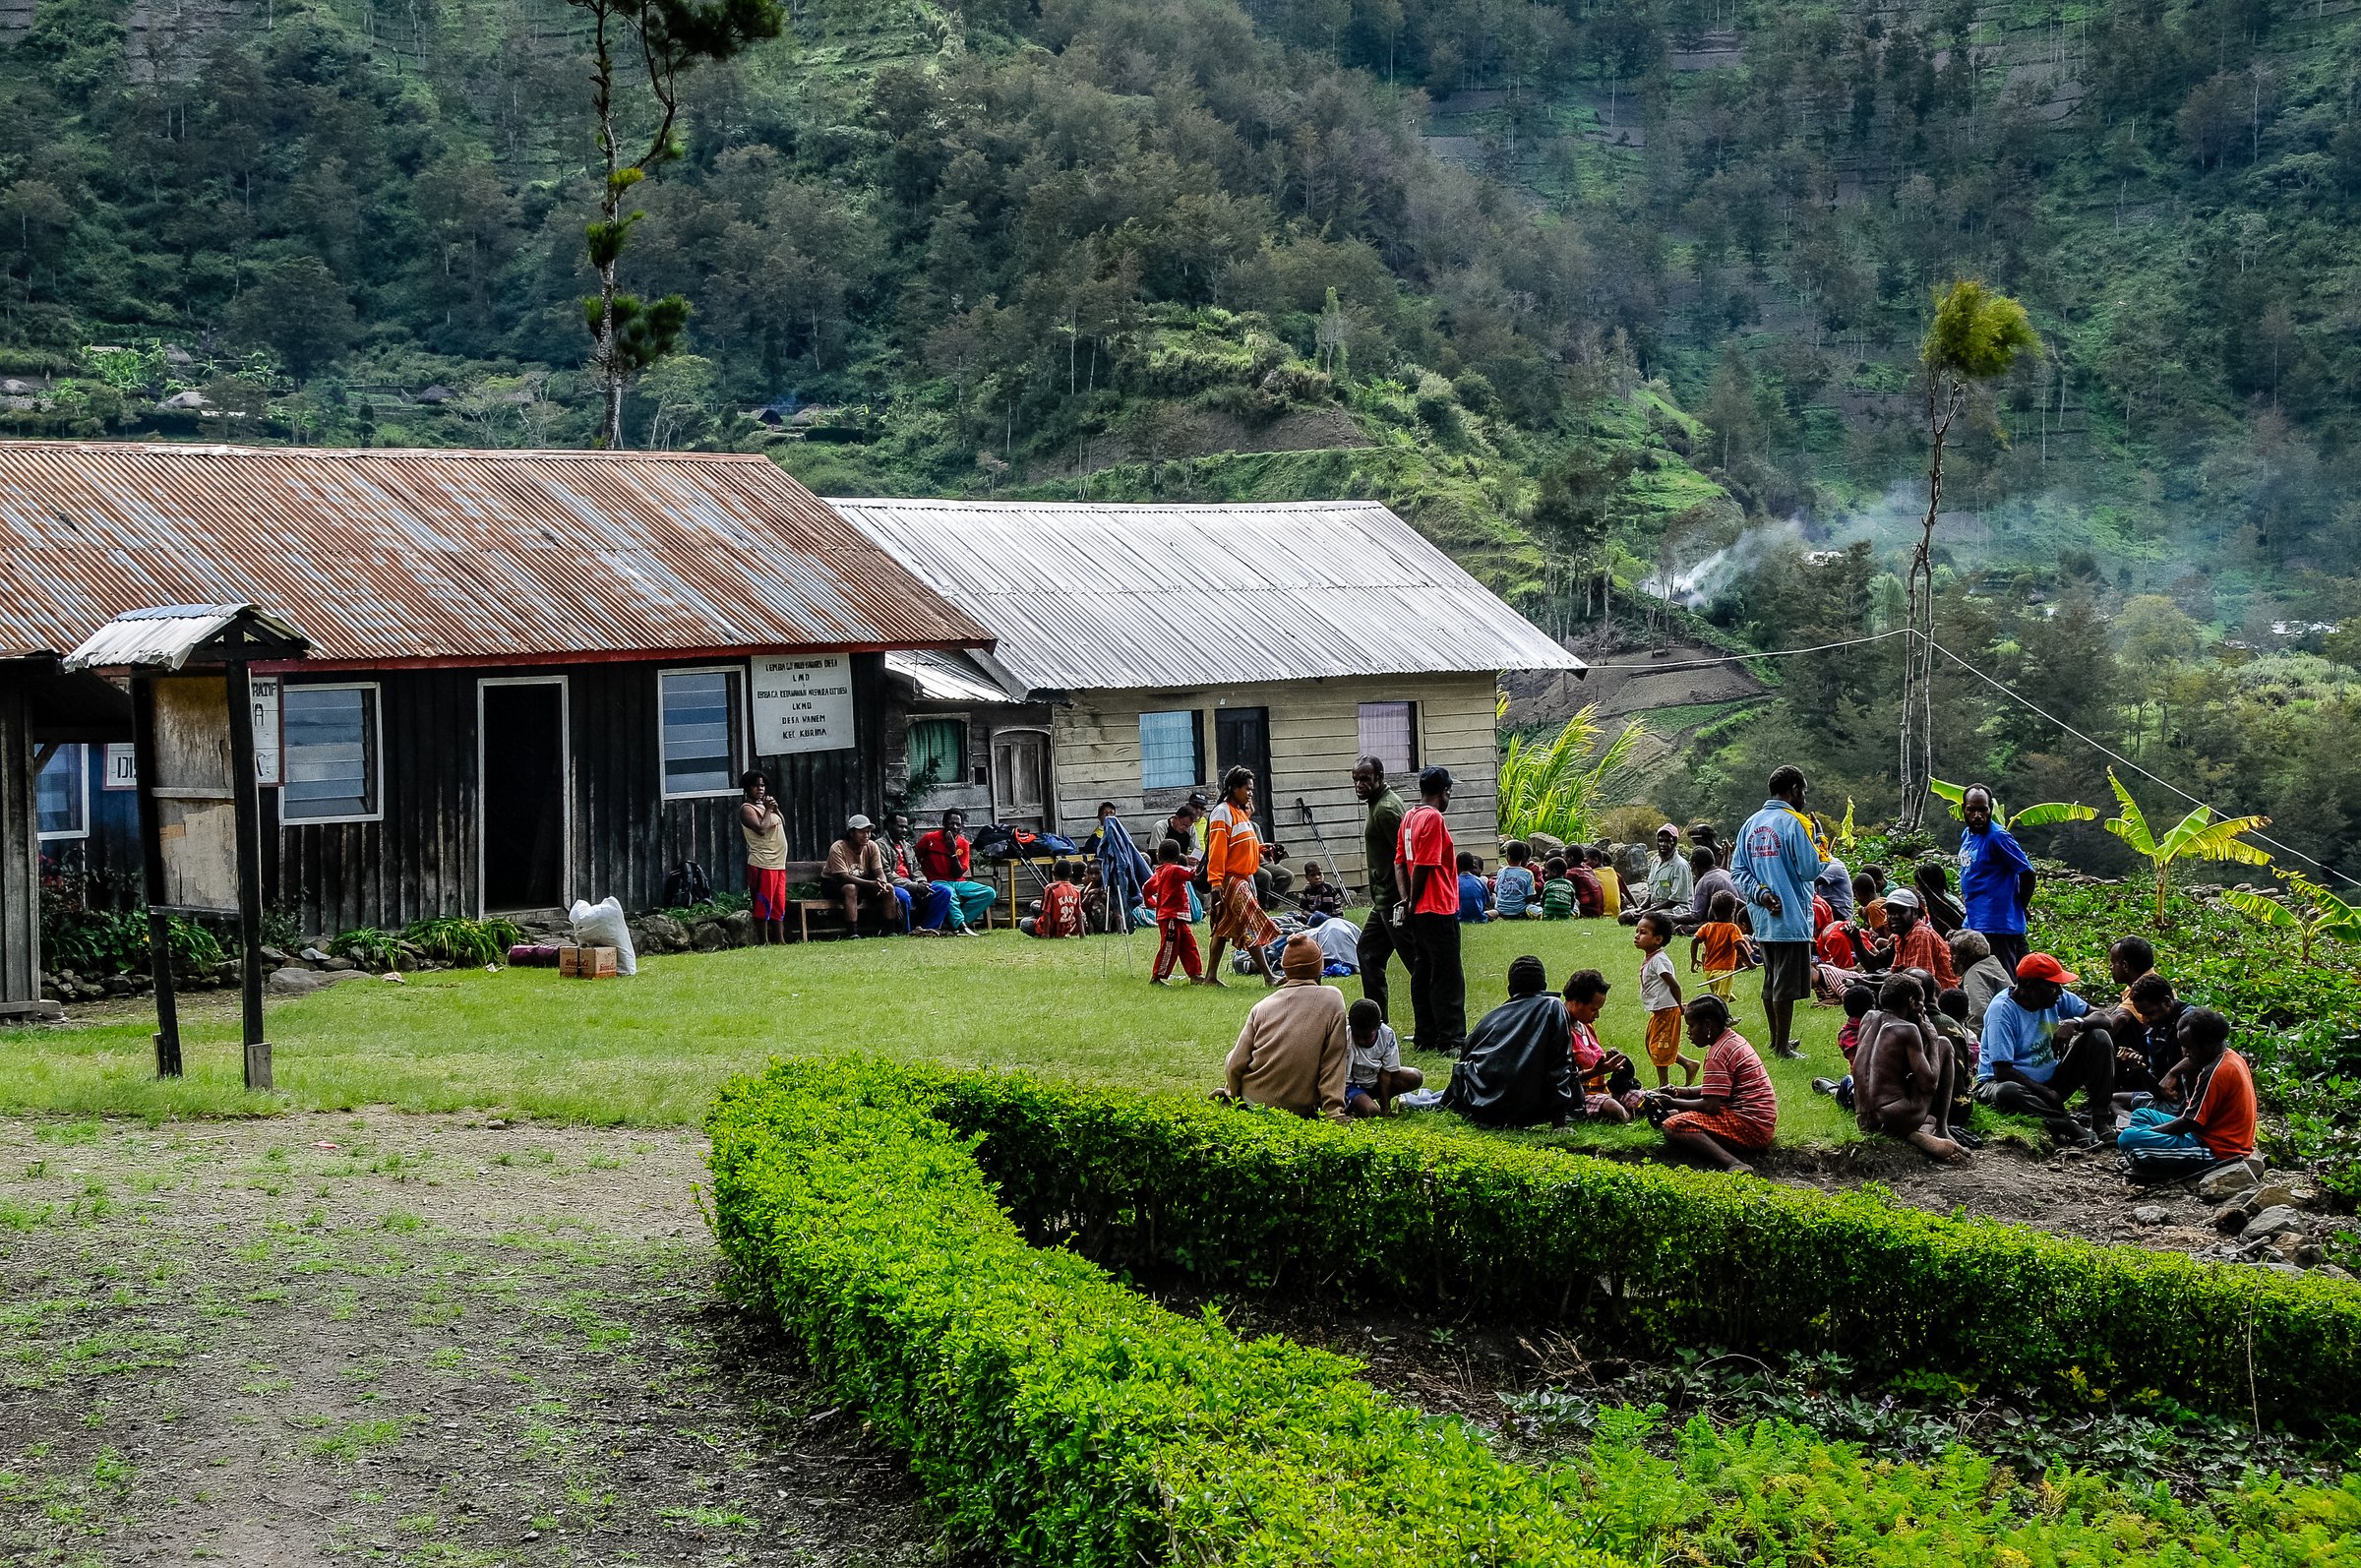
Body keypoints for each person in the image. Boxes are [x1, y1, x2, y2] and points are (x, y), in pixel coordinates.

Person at [1731, 765, 1829, 1059]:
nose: (1805, 799)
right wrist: (1821, 842)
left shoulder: (1750, 824)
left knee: (1771, 978)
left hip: (1762, 917)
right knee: (1784, 986)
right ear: (1795, 789)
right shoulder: (1796, 823)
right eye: (1804, 792)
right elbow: (1811, 869)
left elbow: (1737, 871)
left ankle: (1777, 1041)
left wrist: (1761, 895)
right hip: (1791, 917)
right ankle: (1782, 1047)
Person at [1973, 952, 2118, 1146]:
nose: (2059, 992)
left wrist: (2075, 1023)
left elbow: (2104, 1018)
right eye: (2052, 986)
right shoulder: (2002, 1011)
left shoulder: (2055, 997)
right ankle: (2067, 1125)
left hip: (2049, 1080)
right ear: (2028, 986)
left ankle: (2100, 1119)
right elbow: (2002, 1071)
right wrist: (2046, 1093)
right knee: (2007, 1092)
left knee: (2099, 1037)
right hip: (2003, 1083)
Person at [1219, 934, 1350, 1121]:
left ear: (1285, 970)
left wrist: (1231, 1094)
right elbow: (1333, 1062)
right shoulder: (1333, 999)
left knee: (1232, 1054)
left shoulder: (1262, 1006)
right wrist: (1333, 1112)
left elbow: (1236, 1063)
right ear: (1319, 967)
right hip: (1298, 1107)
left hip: (1253, 1102)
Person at [1646, 995, 1779, 1175]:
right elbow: (1717, 1089)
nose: (1689, 1033)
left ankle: (1734, 1163)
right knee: (1676, 1113)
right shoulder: (1732, 1040)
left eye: (1692, 1026)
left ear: (1707, 1025)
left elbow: (1710, 1105)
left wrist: (1672, 1102)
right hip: (1760, 1122)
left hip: (1751, 1126)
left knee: (1674, 1124)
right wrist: (1679, 1092)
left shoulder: (1717, 1054)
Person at [1441, 955, 1578, 1127]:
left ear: (1510, 989)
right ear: (1543, 986)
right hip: (1523, 1107)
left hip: (1481, 1108)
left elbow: (1464, 1061)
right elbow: (1560, 1064)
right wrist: (1560, 1121)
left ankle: (1424, 1099)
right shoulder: (1553, 1006)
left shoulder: (1490, 1019)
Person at [1850, 975, 1968, 1162]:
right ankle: (1941, 1129)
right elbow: (1929, 1085)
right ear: (1912, 1001)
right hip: (1893, 1117)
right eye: (1921, 1002)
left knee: (1926, 1115)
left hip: (1863, 1119)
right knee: (1944, 1045)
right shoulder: (1907, 1030)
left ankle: (1918, 1132)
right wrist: (1932, 1038)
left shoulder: (1869, 1017)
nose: (1923, 1008)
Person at [2115, 1008, 2256, 1163]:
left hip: (2217, 1149)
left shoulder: (2216, 1071)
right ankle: (2146, 1153)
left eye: (2189, 1047)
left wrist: (2150, 1132)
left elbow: (2190, 1122)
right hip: (2204, 1133)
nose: (2185, 1053)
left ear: (2208, 1044)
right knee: (2142, 1114)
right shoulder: (2230, 1056)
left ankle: (2150, 1164)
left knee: (2127, 1139)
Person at [1396, 765, 1466, 1056]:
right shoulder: (1434, 818)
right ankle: (1451, 1038)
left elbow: (1399, 862)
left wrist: (1405, 900)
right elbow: (1424, 864)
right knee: (1447, 974)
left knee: (1422, 970)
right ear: (1445, 791)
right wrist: (1414, 898)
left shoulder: (1409, 817)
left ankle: (1426, 1032)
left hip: (1418, 911)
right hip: (1437, 906)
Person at [1204, 766, 1282, 987]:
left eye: (1252, 790)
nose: (1250, 794)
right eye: (1247, 789)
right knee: (1251, 922)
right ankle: (1269, 976)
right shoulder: (1222, 812)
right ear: (1233, 788)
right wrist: (1216, 884)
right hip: (1231, 879)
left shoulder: (1241, 814)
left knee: (1221, 928)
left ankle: (1210, 977)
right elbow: (1217, 851)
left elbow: (1243, 847)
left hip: (1243, 877)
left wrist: (1263, 850)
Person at [1353, 758, 1409, 1025]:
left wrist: (1407, 899)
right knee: (1367, 952)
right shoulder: (1378, 804)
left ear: (1380, 777)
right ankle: (1377, 1021)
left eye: (1365, 779)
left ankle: (1433, 1027)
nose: (1359, 785)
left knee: (1416, 963)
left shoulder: (1386, 810)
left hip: (1394, 900)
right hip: (1383, 900)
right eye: (1356, 779)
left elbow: (1406, 856)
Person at [1958, 784, 2036, 976]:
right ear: (1964, 810)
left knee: (2003, 982)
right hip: (1975, 922)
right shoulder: (1967, 835)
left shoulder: (1998, 837)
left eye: (1982, 810)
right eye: (1972, 810)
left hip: (1998, 926)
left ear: (1990, 809)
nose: (1977, 815)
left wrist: (2020, 905)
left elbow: (2027, 873)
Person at [1562, 968, 1637, 1122]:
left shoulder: (1586, 1026)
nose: (1597, 1015)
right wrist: (1596, 1071)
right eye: (1593, 1009)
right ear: (1575, 1002)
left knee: (1646, 1098)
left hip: (1603, 1091)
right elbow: (1562, 1079)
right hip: (1578, 1097)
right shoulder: (1560, 1030)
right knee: (1612, 1107)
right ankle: (1632, 1116)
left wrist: (1612, 1062)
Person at [1634, 910, 1699, 1086]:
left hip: (1667, 1010)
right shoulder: (1652, 958)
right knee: (1653, 1045)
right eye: (1637, 931)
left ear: (1658, 939)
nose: (1637, 936)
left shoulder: (1659, 960)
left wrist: (1680, 1006)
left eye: (1643, 932)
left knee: (1660, 1047)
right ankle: (1688, 1064)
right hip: (1659, 1010)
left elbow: (1674, 985)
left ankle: (1664, 1086)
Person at [915, 809, 997, 935]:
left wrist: (952, 852)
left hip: (958, 882)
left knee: (989, 893)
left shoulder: (963, 844)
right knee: (949, 892)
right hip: (936, 882)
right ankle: (962, 926)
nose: (954, 827)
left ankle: (955, 924)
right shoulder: (929, 838)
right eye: (951, 823)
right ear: (944, 823)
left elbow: (958, 874)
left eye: (958, 824)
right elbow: (915, 858)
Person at [822, 814, 901, 935]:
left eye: (868, 832)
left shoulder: (872, 846)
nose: (866, 835)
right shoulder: (838, 848)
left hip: (862, 882)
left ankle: (891, 930)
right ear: (851, 833)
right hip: (834, 883)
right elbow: (843, 876)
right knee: (850, 888)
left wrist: (882, 882)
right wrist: (871, 884)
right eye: (862, 832)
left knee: (889, 889)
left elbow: (879, 871)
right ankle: (852, 932)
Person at [1344, 997, 1423, 1117]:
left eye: (1366, 1037)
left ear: (1379, 1025)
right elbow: (1340, 1078)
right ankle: (1357, 1104)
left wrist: (1386, 1108)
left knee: (1415, 1076)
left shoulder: (1387, 1035)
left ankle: (1370, 1101)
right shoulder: (1344, 1037)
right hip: (1351, 1086)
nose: (1361, 1040)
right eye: (1357, 1035)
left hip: (1374, 1081)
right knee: (1372, 1111)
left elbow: (1387, 1073)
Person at [1143, 841, 1205, 984]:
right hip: (1171, 916)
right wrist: (1200, 863)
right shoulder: (1174, 870)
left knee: (1189, 945)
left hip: (1174, 917)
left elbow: (1146, 888)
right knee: (1169, 947)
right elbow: (1193, 874)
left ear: (1159, 856)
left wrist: (1151, 903)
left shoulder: (1159, 872)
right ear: (1178, 857)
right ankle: (1157, 977)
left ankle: (1195, 974)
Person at [739, 769, 789, 945]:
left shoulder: (765, 807)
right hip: (763, 863)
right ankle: (763, 941)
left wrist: (775, 809)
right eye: (756, 786)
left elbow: (781, 821)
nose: (760, 789)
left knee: (778, 903)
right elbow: (761, 829)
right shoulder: (747, 809)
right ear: (747, 788)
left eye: (762, 785)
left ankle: (780, 940)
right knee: (763, 903)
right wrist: (768, 810)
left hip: (778, 863)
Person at [1088, 801, 1153, 934]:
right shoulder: (1096, 837)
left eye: (1111, 813)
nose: (1109, 816)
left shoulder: (1120, 834)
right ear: (1099, 816)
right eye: (1105, 813)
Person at [882, 812, 953, 935]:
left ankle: (928, 928)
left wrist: (921, 882)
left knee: (944, 891)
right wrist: (915, 886)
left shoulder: (907, 846)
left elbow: (916, 869)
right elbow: (887, 875)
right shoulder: (880, 846)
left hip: (913, 883)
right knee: (904, 896)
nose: (904, 830)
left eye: (906, 827)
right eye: (900, 826)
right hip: (894, 885)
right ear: (889, 825)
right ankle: (907, 931)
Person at [1882, 889, 1958, 989]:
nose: (1894, 917)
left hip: (1941, 996)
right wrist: (1867, 978)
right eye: (1890, 912)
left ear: (1914, 913)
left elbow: (1921, 983)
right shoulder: (1900, 936)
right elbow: (1894, 971)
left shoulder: (1920, 934)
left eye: (1901, 911)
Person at [1689, 890, 1749, 1000]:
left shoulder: (1706, 927)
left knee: (1721, 993)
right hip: (1724, 970)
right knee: (1722, 999)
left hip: (1708, 970)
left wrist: (1694, 959)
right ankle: (1723, 1016)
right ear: (1733, 912)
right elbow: (1739, 945)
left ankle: (1726, 1011)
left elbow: (1694, 941)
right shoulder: (1732, 928)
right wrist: (1749, 962)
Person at [1949, 929, 2014, 1029]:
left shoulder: (1975, 975)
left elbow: (1978, 1017)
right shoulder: (1991, 966)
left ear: (1964, 958)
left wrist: (1974, 1043)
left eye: (1953, 955)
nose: (1950, 959)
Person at [1637, 824, 1695, 916]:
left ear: (1675, 842)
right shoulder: (1655, 862)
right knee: (1624, 917)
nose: (1663, 844)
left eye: (1667, 841)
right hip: (1655, 907)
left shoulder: (1680, 866)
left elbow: (1674, 900)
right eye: (1660, 841)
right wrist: (1640, 909)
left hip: (1676, 909)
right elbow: (1650, 893)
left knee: (1653, 917)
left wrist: (1648, 911)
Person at [1675, 847, 1735, 934]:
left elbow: (1696, 916)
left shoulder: (1704, 882)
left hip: (1728, 923)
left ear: (1694, 865)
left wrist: (1670, 917)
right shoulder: (1726, 873)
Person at [1019, 862, 1086, 938]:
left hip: (1051, 928)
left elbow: (1046, 912)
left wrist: (1046, 933)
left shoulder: (1051, 888)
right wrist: (1082, 934)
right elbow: (1078, 913)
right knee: (1034, 905)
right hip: (1064, 929)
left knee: (1024, 923)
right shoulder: (1076, 890)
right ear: (1071, 874)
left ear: (1053, 872)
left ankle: (1045, 931)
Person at [1912, 862, 1965, 937]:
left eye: (1917, 883)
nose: (1916, 887)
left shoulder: (1944, 905)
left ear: (1925, 885)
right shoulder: (1935, 903)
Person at [1494, 842, 1540, 920]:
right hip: (1519, 911)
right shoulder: (1527, 874)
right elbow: (1531, 897)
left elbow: (1497, 891)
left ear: (1508, 856)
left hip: (1500, 910)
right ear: (1523, 857)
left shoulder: (1501, 871)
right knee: (1533, 906)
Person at [1815, 853, 1854, 923]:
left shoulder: (1835, 867)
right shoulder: (1820, 866)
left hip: (1840, 914)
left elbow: (1811, 882)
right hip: (1829, 908)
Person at [1456, 852, 1494, 923]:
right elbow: (1486, 901)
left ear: (1456, 866)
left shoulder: (1454, 883)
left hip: (1459, 917)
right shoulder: (1480, 881)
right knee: (1495, 912)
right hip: (1479, 917)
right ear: (1472, 865)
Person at [1589, 847, 1623, 919]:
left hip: (1601, 913)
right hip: (1617, 912)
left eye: (1585, 861)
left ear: (1595, 860)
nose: (1584, 864)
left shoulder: (1591, 873)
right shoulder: (1612, 871)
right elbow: (1627, 892)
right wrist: (1637, 907)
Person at [1568, 853, 1604, 918]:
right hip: (1599, 912)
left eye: (1564, 857)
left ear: (1570, 858)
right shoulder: (1588, 869)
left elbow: (1571, 894)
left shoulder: (1572, 873)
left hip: (1587, 912)